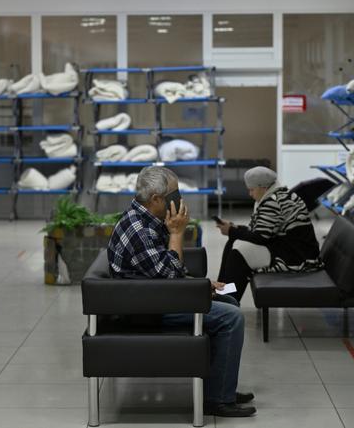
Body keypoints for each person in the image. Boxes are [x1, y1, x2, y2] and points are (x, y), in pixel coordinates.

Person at [107, 166, 256, 418]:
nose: (179, 200)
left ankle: (220, 387)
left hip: (154, 295)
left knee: (228, 299)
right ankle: (217, 400)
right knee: (231, 317)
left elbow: (165, 270)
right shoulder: (139, 231)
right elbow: (170, 274)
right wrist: (177, 232)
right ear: (156, 199)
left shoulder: (146, 217)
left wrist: (196, 286)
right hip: (145, 309)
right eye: (175, 194)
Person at [216, 166, 323, 302]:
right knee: (233, 242)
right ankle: (221, 292)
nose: (250, 194)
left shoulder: (273, 201)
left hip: (296, 256)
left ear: (263, 187)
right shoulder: (281, 194)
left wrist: (231, 231)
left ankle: (228, 300)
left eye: (252, 190)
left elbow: (261, 237)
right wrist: (234, 229)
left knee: (238, 256)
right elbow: (262, 230)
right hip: (290, 247)